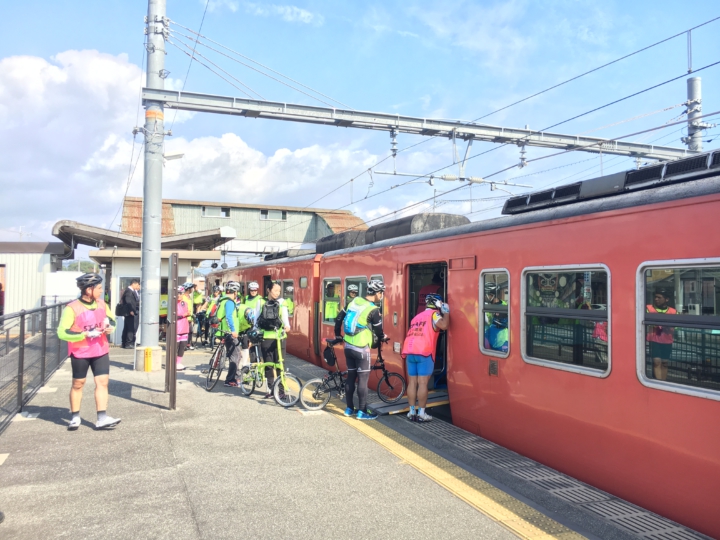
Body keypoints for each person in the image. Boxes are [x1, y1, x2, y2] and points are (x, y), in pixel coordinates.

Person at [58, 273, 121, 430]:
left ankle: (102, 417)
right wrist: (84, 334)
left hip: (100, 350)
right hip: (81, 352)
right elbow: (62, 332)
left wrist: (110, 327)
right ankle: (75, 416)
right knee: (78, 384)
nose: (101, 291)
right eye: (99, 288)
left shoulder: (102, 304)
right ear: (88, 290)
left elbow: (113, 320)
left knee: (102, 382)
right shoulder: (72, 308)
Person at [334, 279, 387, 420]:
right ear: (377, 293)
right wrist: (382, 337)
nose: (382, 296)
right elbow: (379, 330)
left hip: (348, 346)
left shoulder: (355, 301)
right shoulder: (373, 309)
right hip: (361, 348)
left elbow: (339, 318)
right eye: (382, 293)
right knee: (363, 380)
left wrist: (337, 335)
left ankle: (349, 408)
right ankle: (362, 411)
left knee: (351, 377)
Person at [401, 293, 449, 422]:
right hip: (424, 352)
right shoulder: (434, 314)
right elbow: (444, 325)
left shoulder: (416, 317)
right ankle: (421, 413)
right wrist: (446, 311)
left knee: (412, 382)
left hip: (409, 351)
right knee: (422, 383)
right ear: (438, 303)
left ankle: (411, 412)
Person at [258, 281, 290, 398]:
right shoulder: (261, 302)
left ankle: (280, 391)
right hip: (269, 337)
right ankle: (271, 390)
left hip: (278, 338)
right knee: (269, 365)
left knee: (279, 364)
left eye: (279, 291)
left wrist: (287, 327)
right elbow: (257, 319)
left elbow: (286, 320)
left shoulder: (281, 303)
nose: (277, 293)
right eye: (275, 290)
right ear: (268, 290)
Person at [220, 282, 252, 387]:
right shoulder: (230, 302)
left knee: (234, 355)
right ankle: (230, 380)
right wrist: (233, 330)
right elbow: (229, 316)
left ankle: (234, 377)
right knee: (236, 355)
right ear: (235, 292)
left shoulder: (222, 300)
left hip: (224, 332)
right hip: (230, 333)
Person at [647, 287, 676, 380]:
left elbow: (677, 326)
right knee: (656, 362)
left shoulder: (673, 311)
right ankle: (658, 383)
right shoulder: (649, 308)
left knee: (665, 363)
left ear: (666, 299)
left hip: (667, 340)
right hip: (654, 340)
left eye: (659, 297)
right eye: (655, 297)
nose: (656, 299)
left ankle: (663, 383)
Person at [175, 285, 192, 371]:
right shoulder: (173, 303)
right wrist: (183, 315)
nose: (179, 295)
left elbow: (187, 312)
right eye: (178, 293)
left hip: (184, 327)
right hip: (177, 328)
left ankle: (178, 362)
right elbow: (173, 316)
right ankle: (173, 362)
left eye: (181, 293)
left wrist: (187, 314)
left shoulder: (184, 303)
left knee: (182, 346)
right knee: (175, 346)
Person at [121, 279, 140, 349]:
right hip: (130, 312)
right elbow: (128, 301)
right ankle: (129, 343)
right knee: (131, 328)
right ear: (133, 284)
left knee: (127, 328)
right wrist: (131, 310)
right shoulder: (129, 291)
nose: (138, 286)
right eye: (137, 284)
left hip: (129, 312)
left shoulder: (130, 291)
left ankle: (125, 343)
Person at [181, 282, 196, 350]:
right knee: (185, 332)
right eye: (191, 288)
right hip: (184, 317)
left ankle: (188, 344)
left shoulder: (189, 297)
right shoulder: (183, 297)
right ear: (188, 289)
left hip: (190, 317)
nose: (192, 289)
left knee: (190, 331)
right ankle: (184, 345)